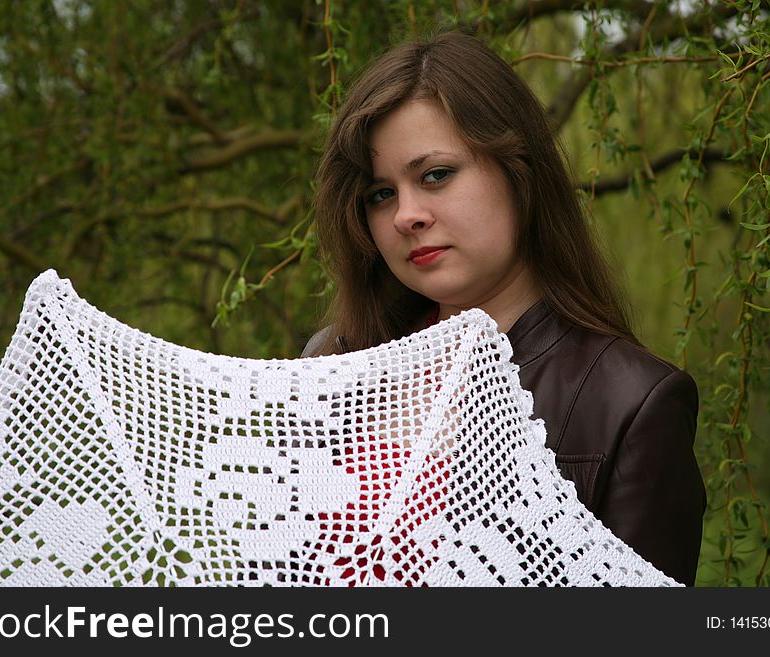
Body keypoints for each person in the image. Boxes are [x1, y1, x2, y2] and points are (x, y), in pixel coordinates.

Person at [301, 30, 705, 586]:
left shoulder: (631, 404)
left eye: (435, 175)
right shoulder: (335, 364)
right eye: (381, 194)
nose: (405, 215)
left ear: (519, 170)